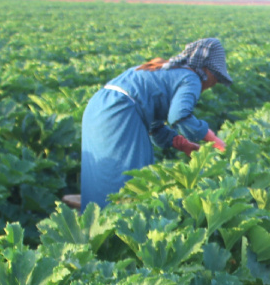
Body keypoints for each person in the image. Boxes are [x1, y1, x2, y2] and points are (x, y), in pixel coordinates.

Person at [76, 38, 230, 210]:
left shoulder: (165, 70)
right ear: (207, 71)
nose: (212, 85)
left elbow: (155, 125)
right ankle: (119, 225)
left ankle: (95, 221)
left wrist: (182, 144)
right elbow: (179, 116)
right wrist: (214, 139)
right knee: (130, 177)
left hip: (98, 106)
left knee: (102, 169)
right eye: (215, 79)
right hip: (120, 112)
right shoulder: (191, 78)